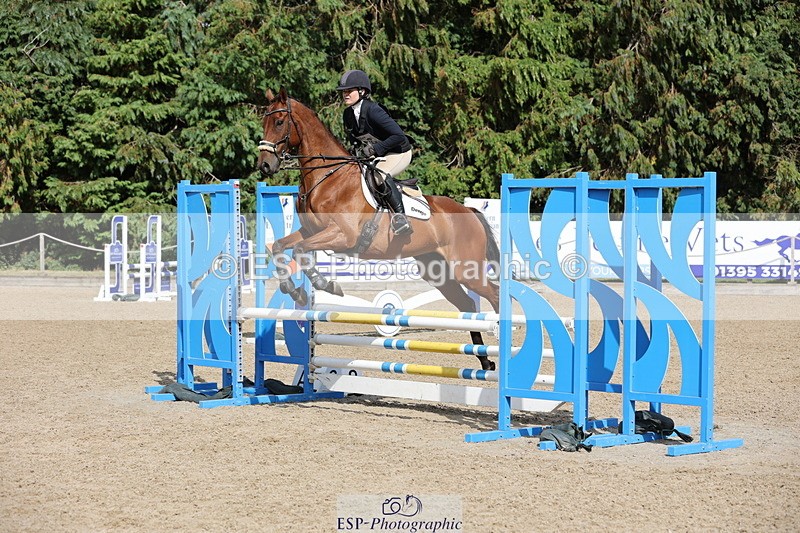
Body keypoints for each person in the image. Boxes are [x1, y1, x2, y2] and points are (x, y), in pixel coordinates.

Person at [337, 69, 413, 236]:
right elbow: (356, 141)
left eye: (349, 91)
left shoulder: (373, 110)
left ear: (362, 91)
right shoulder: (348, 114)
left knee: (380, 175)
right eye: (344, 91)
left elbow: (399, 136)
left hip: (398, 152)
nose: (345, 94)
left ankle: (401, 218)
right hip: (378, 155)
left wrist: (375, 149)